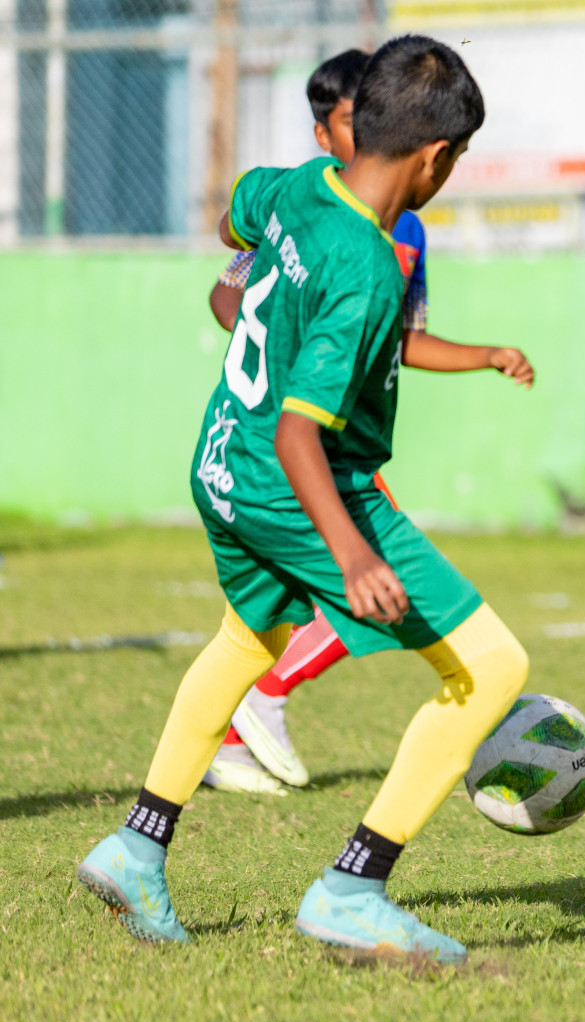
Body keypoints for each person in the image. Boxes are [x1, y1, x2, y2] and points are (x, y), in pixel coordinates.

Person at [77, 35, 526, 962]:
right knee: (489, 667)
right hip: (294, 482)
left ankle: (136, 845)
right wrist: (354, 553)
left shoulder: (288, 188)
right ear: (437, 157)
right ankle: (353, 888)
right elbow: (300, 433)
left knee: (250, 636)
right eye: (461, 160)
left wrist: (267, 305)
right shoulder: (370, 267)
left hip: (219, 463)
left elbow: (232, 230)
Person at [203, 48, 534, 796]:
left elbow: (398, 338)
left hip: (341, 436)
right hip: (295, 441)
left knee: (269, 621)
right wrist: (289, 363)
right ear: (327, 134)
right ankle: (264, 710)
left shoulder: (406, 235)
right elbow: (230, 294)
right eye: (350, 123)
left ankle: (218, 751)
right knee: (370, 584)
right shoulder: (310, 208)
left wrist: (483, 354)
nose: (364, 136)